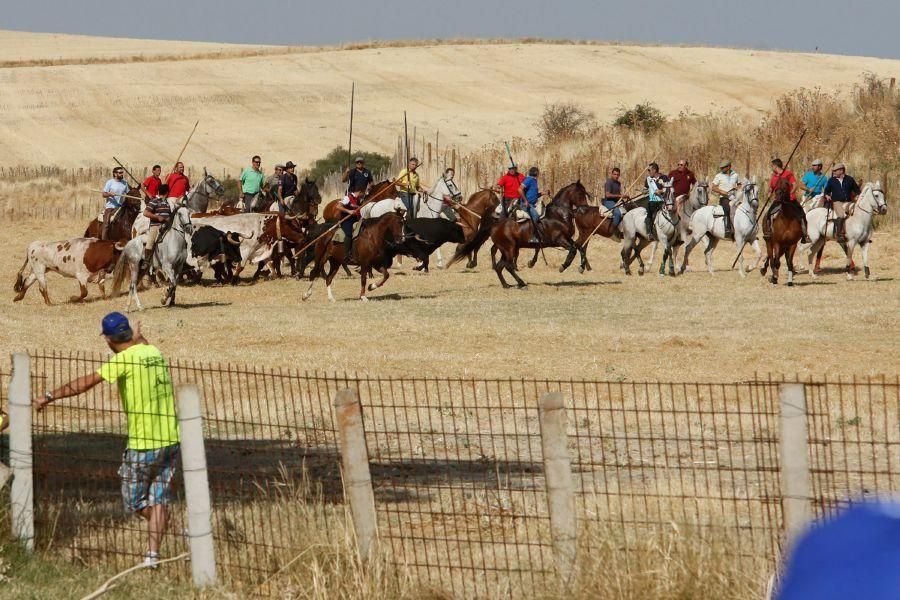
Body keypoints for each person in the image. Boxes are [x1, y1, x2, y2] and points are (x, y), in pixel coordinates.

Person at [34, 313, 179, 568]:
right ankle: (153, 555)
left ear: (109, 340)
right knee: (159, 498)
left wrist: (50, 396)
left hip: (143, 443)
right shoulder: (154, 353)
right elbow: (143, 344)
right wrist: (138, 336)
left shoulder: (123, 361)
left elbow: (83, 385)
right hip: (171, 440)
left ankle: (164, 523)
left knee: (134, 501)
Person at [769, 158, 808, 242]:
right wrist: (769, 193)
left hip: (790, 200)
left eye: (772, 166)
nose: (771, 168)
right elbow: (771, 188)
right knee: (768, 214)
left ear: (775, 166)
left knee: (801, 214)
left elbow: (795, 185)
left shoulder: (788, 174)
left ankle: (804, 235)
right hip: (778, 200)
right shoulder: (774, 176)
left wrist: (791, 193)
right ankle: (769, 233)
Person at [823, 163, 860, 244]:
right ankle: (839, 234)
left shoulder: (850, 179)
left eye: (835, 171)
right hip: (837, 202)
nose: (834, 173)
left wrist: (858, 195)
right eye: (834, 171)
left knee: (856, 213)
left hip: (848, 202)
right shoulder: (831, 180)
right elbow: (826, 191)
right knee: (841, 215)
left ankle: (859, 233)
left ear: (841, 170)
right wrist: (827, 195)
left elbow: (857, 190)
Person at [711, 159, 740, 239]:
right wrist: (722, 191)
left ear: (729, 167)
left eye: (723, 167)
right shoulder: (718, 176)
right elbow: (713, 187)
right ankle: (727, 228)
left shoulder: (735, 175)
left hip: (734, 197)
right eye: (721, 167)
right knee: (727, 208)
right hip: (724, 198)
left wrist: (737, 186)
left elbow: (738, 185)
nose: (721, 169)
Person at [336, 182, 365, 263]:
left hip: (356, 219)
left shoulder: (359, 199)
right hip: (346, 220)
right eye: (363, 192)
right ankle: (346, 255)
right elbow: (338, 206)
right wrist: (348, 211)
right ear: (359, 192)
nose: (364, 194)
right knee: (348, 234)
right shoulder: (347, 198)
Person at [143, 184, 172, 261]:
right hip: (156, 226)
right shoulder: (154, 201)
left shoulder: (167, 203)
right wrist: (157, 217)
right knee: (150, 241)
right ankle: (146, 261)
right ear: (167, 192)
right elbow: (145, 213)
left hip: (167, 226)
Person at [101, 166, 131, 240]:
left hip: (121, 206)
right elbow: (103, 194)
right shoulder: (110, 182)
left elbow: (128, 193)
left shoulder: (125, 183)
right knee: (106, 224)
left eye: (122, 172)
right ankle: (103, 240)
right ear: (115, 174)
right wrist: (109, 194)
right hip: (110, 207)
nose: (121, 174)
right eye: (120, 173)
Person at [520, 167, 546, 241]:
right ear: (536, 173)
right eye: (538, 172)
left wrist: (543, 193)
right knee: (535, 216)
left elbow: (534, 195)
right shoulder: (529, 179)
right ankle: (531, 236)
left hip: (532, 204)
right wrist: (525, 201)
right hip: (526, 204)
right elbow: (519, 189)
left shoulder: (534, 181)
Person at [644, 163, 667, 241]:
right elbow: (645, 189)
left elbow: (669, 188)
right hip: (652, 201)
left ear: (654, 170)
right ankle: (649, 233)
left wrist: (660, 191)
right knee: (649, 215)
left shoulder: (664, 177)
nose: (648, 172)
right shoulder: (648, 179)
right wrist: (644, 191)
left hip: (663, 200)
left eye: (649, 170)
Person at [603, 167, 628, 232]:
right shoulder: (609, 182)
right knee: (617, 213)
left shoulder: (618, 183)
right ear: (612, 174)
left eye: (618, 175)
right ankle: (613, 231)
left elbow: (618, 195)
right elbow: (607, 195)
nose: (616, 176)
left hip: (616, 202)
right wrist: (619, 195)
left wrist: (624, 197)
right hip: (608, 201)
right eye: (615, 174)